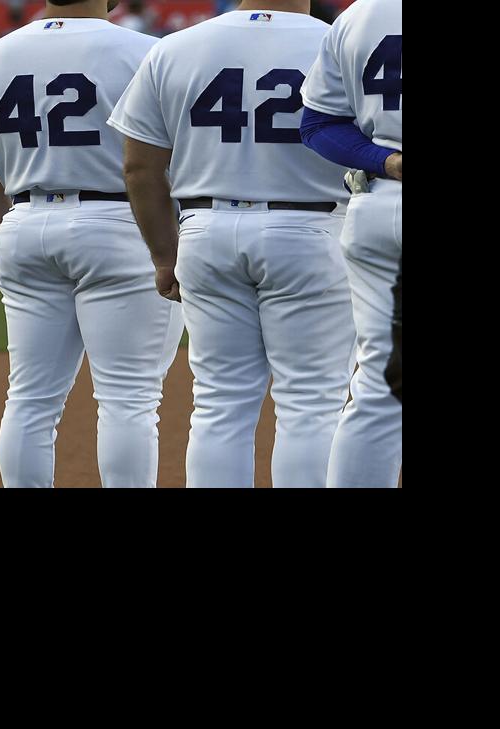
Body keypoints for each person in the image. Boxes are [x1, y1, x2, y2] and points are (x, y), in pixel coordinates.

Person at [0, 0, 183, 486]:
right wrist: (166, 249)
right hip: (121, 221)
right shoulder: (150, 51)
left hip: (25, 219)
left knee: (29, 399)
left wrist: (9, 247)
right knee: (129, 398)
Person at [110, 0, 354, 487]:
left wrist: (164, 256)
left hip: (206, 227)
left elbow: (140, 167)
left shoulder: (176, 46)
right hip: (311, 227)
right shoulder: (340, 43)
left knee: (219, 403)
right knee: (310, 403)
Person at [300, 0, 401, 486]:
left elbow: (318, 125)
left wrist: (384, 161)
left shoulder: (360, 13)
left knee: (379, 387)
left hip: (381, 205)